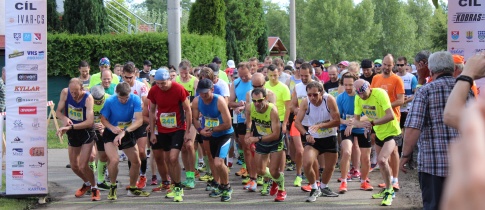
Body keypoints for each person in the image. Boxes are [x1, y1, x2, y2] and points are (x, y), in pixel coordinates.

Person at [399, 51, 469, 210]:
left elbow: (412, 128)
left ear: (431, 70)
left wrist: (405, 156)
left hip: (432, 165)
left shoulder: (425, 91)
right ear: (453, 69)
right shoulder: (466, 91)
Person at [351, 79, 401, 206]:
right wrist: (364, 125)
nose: (362, 95)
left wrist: (372, 123)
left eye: (363, 92)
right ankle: (387, 188)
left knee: (382, 160)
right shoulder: (358, 99)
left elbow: (390, 115)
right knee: (382, 163)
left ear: (369, 87)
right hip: (379, 132)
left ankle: (390, 191)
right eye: (358, 93)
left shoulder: (380, 94)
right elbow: (356, 121)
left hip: (392, 132)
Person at [148, 69, 192, 202]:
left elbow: (188, 109)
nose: (161, 86)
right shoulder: (154, 90)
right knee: (167, 159)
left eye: (163, 83)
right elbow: (152, 111)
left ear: (169, 79)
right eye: (158, 83)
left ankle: (178, 188)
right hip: (162, 130)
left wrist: (188, 130)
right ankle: (173, 185)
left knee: (173, 158)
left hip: (178, 128)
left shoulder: (178, 89)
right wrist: (152, 132)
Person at [100, 82, 150, 200]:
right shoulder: (110, 101)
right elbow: (103, 119)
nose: (123, 101)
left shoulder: (135, 99)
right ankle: (113, 187)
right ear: (117, 94)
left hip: (126, 131)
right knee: (114, 160)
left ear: (130, 94)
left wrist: (124, 132)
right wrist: (112, 128)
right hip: (111, 133)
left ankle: (132, 188)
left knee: (136, 161)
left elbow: (139, 120)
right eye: (121, 98)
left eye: (126, 98)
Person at [294, 81, 340, 201]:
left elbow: (337, 120)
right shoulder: (305, 102)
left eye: (315, 94)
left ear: (321, 92)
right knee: (307, 163)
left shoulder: (329, 100)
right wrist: (306, 134)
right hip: (314, 139)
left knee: (330, 167)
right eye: (309, 95)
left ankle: (324, 187)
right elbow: (297, 122)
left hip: (330, 137)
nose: (312, 98)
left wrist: (320, 126)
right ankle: (314, 188)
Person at [56, 78, 99, 201]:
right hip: (72, 131)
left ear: (82, 89)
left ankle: (95, 188)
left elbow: (90, 122)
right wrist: (64, 119)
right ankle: (87, 184)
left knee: (83, 165)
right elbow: (58, 112)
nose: (73, 95)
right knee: (74, 166)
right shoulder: (65, 92)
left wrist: (71, 126)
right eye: (72, 92)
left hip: (86, 131)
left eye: (76, 92)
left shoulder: (88, 98)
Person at [192, 78, 234, 202]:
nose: (203, 95)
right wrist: (200, 130)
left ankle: (227, 187)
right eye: (201, 92)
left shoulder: (219, 101)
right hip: (209, 133)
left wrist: (211, 129)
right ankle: (218, 183)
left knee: (218, 162)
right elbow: (195, 119)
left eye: (206, 92)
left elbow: (228, 124)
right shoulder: (196, 101)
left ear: (212, 89)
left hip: (225, 134)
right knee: (211, 159)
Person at [244, 88, 287, 201]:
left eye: (260, 100)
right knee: (260, 171)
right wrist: (248, 133)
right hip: (261, 140)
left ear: (266, 98)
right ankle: (275, 180)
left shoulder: (272, 111)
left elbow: (276, 134)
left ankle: (282, 189)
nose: (257, 103)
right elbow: (248, 120)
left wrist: (256, 138)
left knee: (273, 171)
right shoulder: (250, 107)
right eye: (254, 101)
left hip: (274, 142)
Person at [371, 54, 404, 191]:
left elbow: (401, 100)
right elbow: (371, 95)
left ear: (393, 65)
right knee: (381, 152)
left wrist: (387, 106)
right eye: (384, 64)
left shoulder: (397, 79)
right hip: (379, 120)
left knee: (393, 150)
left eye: (389, 65)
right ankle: (388, 179)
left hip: (393, 119)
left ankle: (395, 179)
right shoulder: (375, 78)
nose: (386, 67)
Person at [337, 73, 373, 193]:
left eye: (350, 85)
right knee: (346, 152)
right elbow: (337, 118)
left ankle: (364, 181)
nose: (347, 87)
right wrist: (347, 123)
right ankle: (343, 181)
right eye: (345, 84)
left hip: (362, 127)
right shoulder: (340, 98)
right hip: (346, 128)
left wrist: (354, 122)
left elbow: (369, 114)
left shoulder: (362, 97)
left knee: (366, 157)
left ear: (356, 84)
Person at [243, 73, 276, 189]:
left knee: (266, 155)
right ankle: (253, 179)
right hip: (255, 125)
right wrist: (248, 131)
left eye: (259, 86)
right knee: (251, 150)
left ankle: (269, 180)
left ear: (264, 84)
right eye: (254, 86)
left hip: (268, 126)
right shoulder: (249, 94)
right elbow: (249, 114)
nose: (256, 89)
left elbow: (272, 114)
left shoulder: (270, 94)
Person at [121, 63, 150, 190]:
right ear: (122, 75)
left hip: (140, 122)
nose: (128, 80)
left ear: (135, 75)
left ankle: (143, 175)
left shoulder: (141, 86)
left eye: (131, 77)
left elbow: (145, 101)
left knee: (142, 151)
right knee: (131, 153)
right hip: (127, 124)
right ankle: (133, 179)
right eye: (126, 77)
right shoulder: (120, 87)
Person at [228, 62, 253, 181]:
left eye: (245, 76)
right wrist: (239, 104)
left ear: (251, 71)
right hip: (241, 119)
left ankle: (258, 172)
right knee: (245, 146)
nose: (243, 78)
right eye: (241, 75)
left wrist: (247, 106)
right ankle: (249, 172)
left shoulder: (255, 82)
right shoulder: (236, 83)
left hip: (255, 119)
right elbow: (230, 102)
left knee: (255, 148)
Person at [90, 85, 111, 191]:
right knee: (91, 155)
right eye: (96, 101)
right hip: (89, 128)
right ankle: (91, 183)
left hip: (103, 129)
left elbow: (115, 116)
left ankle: (100, 181)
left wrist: (105, 124)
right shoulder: (86, 99)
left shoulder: (110, 98)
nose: (98, 103)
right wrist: (92, 124)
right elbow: (81, 117)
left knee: (103, 156)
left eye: (100, 101)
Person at [396, 56, 417, 159]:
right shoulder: (395, 77)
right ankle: (398, 155)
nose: (400, 67)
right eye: (398, 65)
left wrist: (405, 100)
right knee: (398, 133)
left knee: (408, 134)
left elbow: (416, 94)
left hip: (408, 109)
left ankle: (409, 158)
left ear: (406, 65)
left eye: (402, 65)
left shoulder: (412, 77)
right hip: (397, 110)